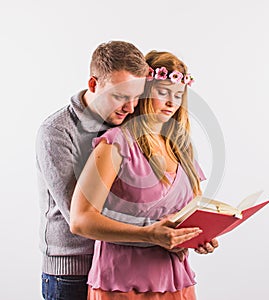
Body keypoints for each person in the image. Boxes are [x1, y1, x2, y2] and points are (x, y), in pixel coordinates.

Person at [70, 50, 219, 299]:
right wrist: (149, 234)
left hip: (175, 280)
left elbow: (192, 212)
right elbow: (80, 220)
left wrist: (199, 237)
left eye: (178, 95)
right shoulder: (116, 143)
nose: (172, 102)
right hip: (122, 282)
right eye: (163, 92)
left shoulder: (182, 148)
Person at [36, 40, 149, 300]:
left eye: (136, 97)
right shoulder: (57, 132)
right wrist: (153, 232)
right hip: (72, 272)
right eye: (120, 96)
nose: (130, 107)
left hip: (122, 263)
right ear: (93, 84)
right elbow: (81, 218)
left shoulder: (128, 123)